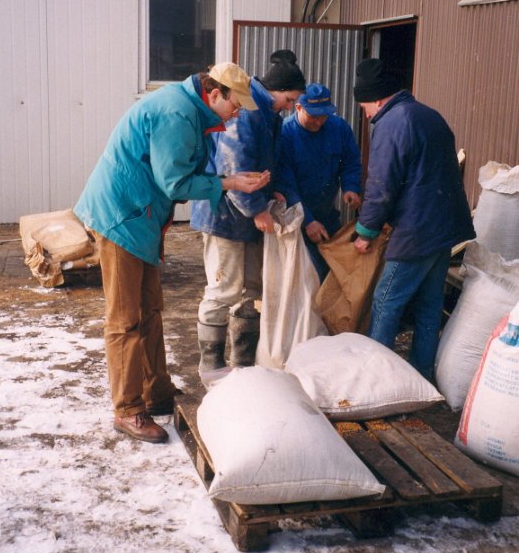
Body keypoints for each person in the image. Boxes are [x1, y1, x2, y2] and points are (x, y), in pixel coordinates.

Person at [74, 63, 270, 443]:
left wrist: (229, 182)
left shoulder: (191, 109)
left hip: (141, 216)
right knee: (125, 319)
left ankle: (156, 392)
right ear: (215, 94)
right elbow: (175, 181)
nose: (239, 112)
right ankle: (128, 410)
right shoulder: (177, 113)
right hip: (122, 217)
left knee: (150, 308)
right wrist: (229, 182)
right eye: (236, 104)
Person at [352, 58, 475, 380]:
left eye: (364, 106)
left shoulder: (392, 123)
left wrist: (365, 231)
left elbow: (381, 185)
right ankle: (422, 374)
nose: (366, 113)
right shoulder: (429, 115)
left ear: (377, 98)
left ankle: (378, 380)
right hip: (444, 228)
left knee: (386, 301)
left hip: (417, 230)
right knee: (428, 305)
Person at [190, 50, 306, 385]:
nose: (289, 106)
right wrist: (256, 209)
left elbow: (270, 161)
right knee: (223, 288)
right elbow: (232, 164)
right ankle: (211, 367)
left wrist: (274, 193)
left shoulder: (270, 114)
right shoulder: (244, 110)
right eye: (289, 99)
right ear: (274, 91)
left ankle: (242, 364)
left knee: (252, 288)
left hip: (248, 211)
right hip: (223, 214)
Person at [276, 83, 362, 280]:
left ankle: (328, 310)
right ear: (298, 107)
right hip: (295, 218)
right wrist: (307, 220)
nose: (319, 122)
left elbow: (350, 161)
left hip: (327, 215)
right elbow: (286, 184)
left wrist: (351, 187)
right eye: (313, 116)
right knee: (306, 275)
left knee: (337, 270)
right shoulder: (285, 135)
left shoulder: (339, 127)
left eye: (324, 115)